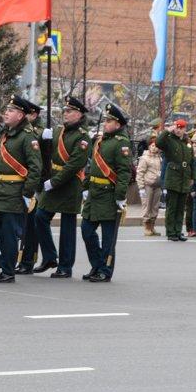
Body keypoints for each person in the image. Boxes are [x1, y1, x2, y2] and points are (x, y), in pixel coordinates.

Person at [0, 95, 42, 284]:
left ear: (21, 115)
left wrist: (27, 194)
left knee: (7, 234)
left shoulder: (28, 137)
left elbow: (35, 168)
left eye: (11, 111)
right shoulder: (5, 132)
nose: (6, 113)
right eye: (6, 110)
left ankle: (7, 271)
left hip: (15, 189)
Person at [36, 96, 90, 278]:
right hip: (53, 180)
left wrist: (53, 182)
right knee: (40, 216)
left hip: (69, 184)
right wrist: (44, 140)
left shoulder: (82, 137)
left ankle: (65, 266)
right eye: (65, 111)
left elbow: (74, 164)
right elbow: (46, 155)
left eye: (69, 111)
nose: (65, 114)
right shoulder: (59, 131)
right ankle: (50, 257)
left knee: (67, 227)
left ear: (79, 114)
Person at [79, 104, 132, 282]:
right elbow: (92, 166)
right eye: (106, 120)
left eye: (109, 121)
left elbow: (124, 172)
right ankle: (97, 264)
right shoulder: (101, 140)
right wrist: (85, 187)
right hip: (94, 193)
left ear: (118, 124)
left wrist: (120, 197)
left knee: (108, 238)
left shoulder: (121, 143)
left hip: (109, 195)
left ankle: (105, 271)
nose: (105, 124)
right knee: (86, 230)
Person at [13, 100, 51, 274]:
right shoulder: (25, 131)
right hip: (22, 181)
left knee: (30, 225)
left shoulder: (39, 132)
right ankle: (25, 260)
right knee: (26, 224)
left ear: (33, 115)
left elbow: (41, 159)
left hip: (35, 183)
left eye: (26, 114)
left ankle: (27, 261)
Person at [155, 119, 195, 242]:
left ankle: (178, 231)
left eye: (181, 128)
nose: (178, 130)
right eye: (177, 128)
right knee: (172, 207)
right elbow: (158, 142)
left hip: (184, 177)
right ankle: (171, 232)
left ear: (184, 129)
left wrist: (192, 177)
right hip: (173, 176)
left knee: (180, 207)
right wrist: (167, 131)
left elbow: (191, 161)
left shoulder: (187, 143)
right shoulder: (169, 140)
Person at [135, 141, 163, 237]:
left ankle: (152, 226)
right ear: (149, 147)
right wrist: (141, 187)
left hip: (158, 185)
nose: (154, 148)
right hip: (148, 184)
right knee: (147, 206)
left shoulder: (160, 158)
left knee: (155, 207)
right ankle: (147, 227)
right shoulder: (144, 158)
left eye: (156, 146)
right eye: (153, 146)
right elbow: (140, 173)